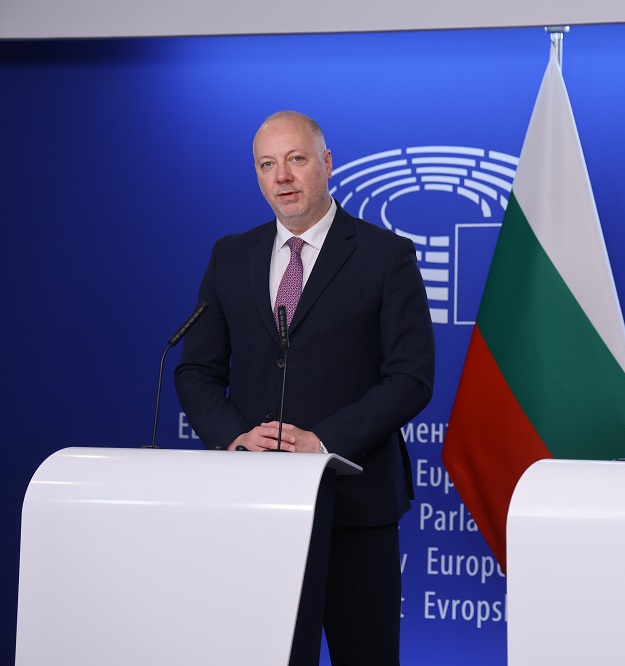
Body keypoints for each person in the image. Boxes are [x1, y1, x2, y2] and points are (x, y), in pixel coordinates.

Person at [175, 110, 435, 665]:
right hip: (256, 506)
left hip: (354, 506)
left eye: (296, 159)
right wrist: (235, 438)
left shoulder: (386, 255)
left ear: (327, 163)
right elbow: (196, 371)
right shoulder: (230, 256)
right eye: (267, 165)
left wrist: (323, 442)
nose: (282, 177)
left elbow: (411, 377)